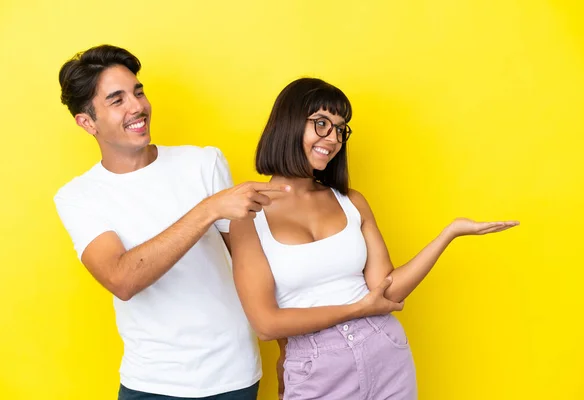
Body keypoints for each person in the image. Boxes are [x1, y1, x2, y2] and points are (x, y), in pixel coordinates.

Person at [229, 78, 519, 400]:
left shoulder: (351, 201)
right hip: (316, 366)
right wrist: (357, 308)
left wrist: (448, 234)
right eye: (322, 124)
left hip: (385, 351)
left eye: (340, 129)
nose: (334, 138)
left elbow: (387, 290)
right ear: (289, 123)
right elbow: (266, 324)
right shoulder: (247, 214)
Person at [54, 44, 290, 400]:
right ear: (86, 122)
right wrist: (208, 209)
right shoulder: (79, 196)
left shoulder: (203, 163)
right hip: (152, 382)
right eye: (117, 100)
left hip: (233, 375)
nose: (138, 107)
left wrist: (290, 352)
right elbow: (122, 278)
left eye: (138, 91)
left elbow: (252, 264)